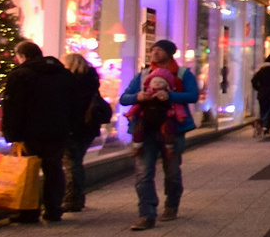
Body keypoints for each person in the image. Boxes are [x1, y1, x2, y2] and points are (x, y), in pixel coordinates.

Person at [120, 39, 198, 230]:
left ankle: (171, 205)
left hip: (172, 129)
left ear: (170, 53)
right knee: (143, 173)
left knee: (171, 171)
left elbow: (193, 95)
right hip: (144, 129)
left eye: (159, 50)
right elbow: (124, 98)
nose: (154, 53)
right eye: (152, 49)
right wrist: (138, 97)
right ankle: (146, 214)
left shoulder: (183, 73)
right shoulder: (144, 74)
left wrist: (170, 96)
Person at [2, 40, 73, 223]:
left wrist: (12, 134)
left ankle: (29, 211)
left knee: (29, 171)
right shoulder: (63, 74)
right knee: (54, 169)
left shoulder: (21, 75)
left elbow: (13, 107)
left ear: (23, 56)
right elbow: (74, 103)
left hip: (30, 132)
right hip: (58, 130)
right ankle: (53, 210)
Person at [62, 51, 107, 212]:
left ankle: (72, 199)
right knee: (76, 162)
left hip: (75, 128)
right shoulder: (90, 81)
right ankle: (77, 197)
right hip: (88, 127)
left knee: (72, 163)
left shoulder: (73, 83)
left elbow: (72, 109)